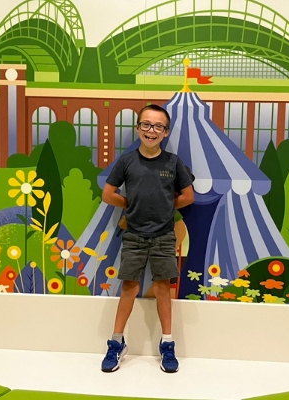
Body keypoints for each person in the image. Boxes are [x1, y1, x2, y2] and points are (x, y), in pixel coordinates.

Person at [100, 104, 194, 374]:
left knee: (163, 288)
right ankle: (116, 343)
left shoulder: (173, 163)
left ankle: (167, 344)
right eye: (146, 125)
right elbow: (108, 194)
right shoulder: (127, 161)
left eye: (158, 126)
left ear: (165, 132)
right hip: (134, 236)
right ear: (138, 127)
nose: (151, 130)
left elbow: (188, 197)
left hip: (164, 236)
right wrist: (130, 205)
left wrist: (165, 207)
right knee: (129, 287)